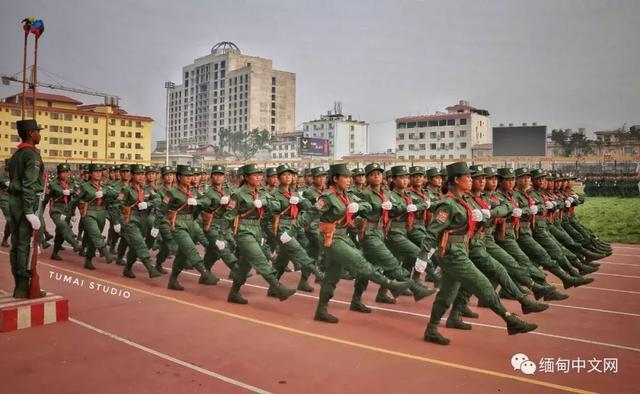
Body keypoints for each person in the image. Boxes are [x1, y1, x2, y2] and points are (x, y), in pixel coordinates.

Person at [420, 162, 537, 345]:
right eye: (467, 177)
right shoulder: (447, 204)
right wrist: (422, 255)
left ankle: (431, 330)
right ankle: (509, 319)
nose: (470, 180)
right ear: (456, 180)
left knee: (446, 295)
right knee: (482, 284)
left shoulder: (465, 201)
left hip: (462, 250)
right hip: (452, 254)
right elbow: (432, 231)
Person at [294, 163, 412, 323]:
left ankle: (321, 310)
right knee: (360, 261)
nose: (349, 180)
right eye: (346, 177)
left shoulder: (347, 195)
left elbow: (366, 204)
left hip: (343, 236)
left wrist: (358, 206)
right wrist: (289, 233)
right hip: (332, 238)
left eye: (350, 177)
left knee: (331, 277)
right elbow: (310, 214)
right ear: (335, 179)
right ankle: (391, 284)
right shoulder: (328, 196)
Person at [224, 164, 297, 304]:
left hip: (257, 229)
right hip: (244, 230)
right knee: (260, 259)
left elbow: (277, 205)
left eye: (260, 174)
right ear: (246, 177)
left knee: (245, 266)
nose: (259, 177)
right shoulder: (238, 194)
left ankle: (233, 293)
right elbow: (228, 215)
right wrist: (221, 237)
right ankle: (278, 287)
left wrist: (262, 201)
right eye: (255, 174)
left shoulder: (262, 192)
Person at [7, 119, 47, 298]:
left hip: (14, 202)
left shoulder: (17, 155)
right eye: (37, 131)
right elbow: (29, 184)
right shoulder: (31, 155)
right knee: (25, 244)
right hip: (26, 203)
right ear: (31, 134)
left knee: (17, 244)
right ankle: (24, 286)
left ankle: (19, 285)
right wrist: (30, 211)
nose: (40, 134)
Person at [77, 163, 116, 270]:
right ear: (90, 173)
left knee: (93, 238)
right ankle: (105, 253)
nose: (98, 174)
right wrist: (71, 213)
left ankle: (88, 260)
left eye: (100, 172)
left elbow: (115, 194)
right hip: (89, 212)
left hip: (101, 213)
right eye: (96, 172)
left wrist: (104, 191)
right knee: (96, 233)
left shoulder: (105, 186)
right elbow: (75, 199)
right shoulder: (84, 187)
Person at [47, 163, 82, 260]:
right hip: (57, 209)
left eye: (67, 172)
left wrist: (70, 192)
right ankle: (75, 244)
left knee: (60, 232)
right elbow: (47, 197)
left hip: (67, 209)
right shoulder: (53, 184)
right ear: (58, 173)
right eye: (63, 172)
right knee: (63, 225)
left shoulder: (72, 183)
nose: (65, 174)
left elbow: (78, 192)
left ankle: (55, 252)